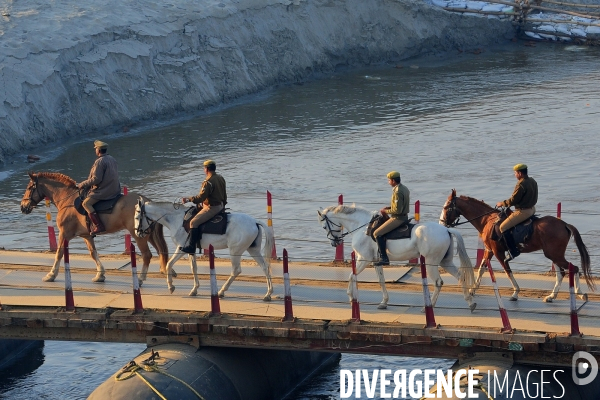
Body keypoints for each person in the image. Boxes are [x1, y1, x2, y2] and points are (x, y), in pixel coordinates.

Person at [180, 159, 227, 254]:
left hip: (211, 208)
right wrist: (223, 205)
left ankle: (191, 247)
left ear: (207, 169)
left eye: (204, 168)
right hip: (220, 205)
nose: (203, 170)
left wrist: (188, 199)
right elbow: (225, 194)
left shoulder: (208, 182)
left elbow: (200, 198)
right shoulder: (220, 178)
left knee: (193, 222)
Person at [495, 163, 538, 262]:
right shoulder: (533, 181)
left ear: (520, 173)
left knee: (503, 227)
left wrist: (502, 203)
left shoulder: (521, 184)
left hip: (523, 212)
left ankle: (513, 251)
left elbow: (513, 200)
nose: (515, 175)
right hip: (532, 209)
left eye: (515, 173)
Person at [76, 140, 121, 235]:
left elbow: (96, 179)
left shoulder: (99, 162)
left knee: (86, 203)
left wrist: (82, 184)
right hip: (115, 189)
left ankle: (99, 225)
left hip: (104, 191)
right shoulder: (112, 158)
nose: (95, 150)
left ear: (99, 150)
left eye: (96, 148)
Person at [372, 171, 410, 266]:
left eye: (389, 180)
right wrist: (388, 208)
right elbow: (399, 206)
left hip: (398, 218)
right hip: (404, 216)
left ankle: (384, 258)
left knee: (377, 233)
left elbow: (397, 211)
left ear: (393, 181)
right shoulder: (404, 188)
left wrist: (385, 211)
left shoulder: (397, 192)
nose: (388, 182)